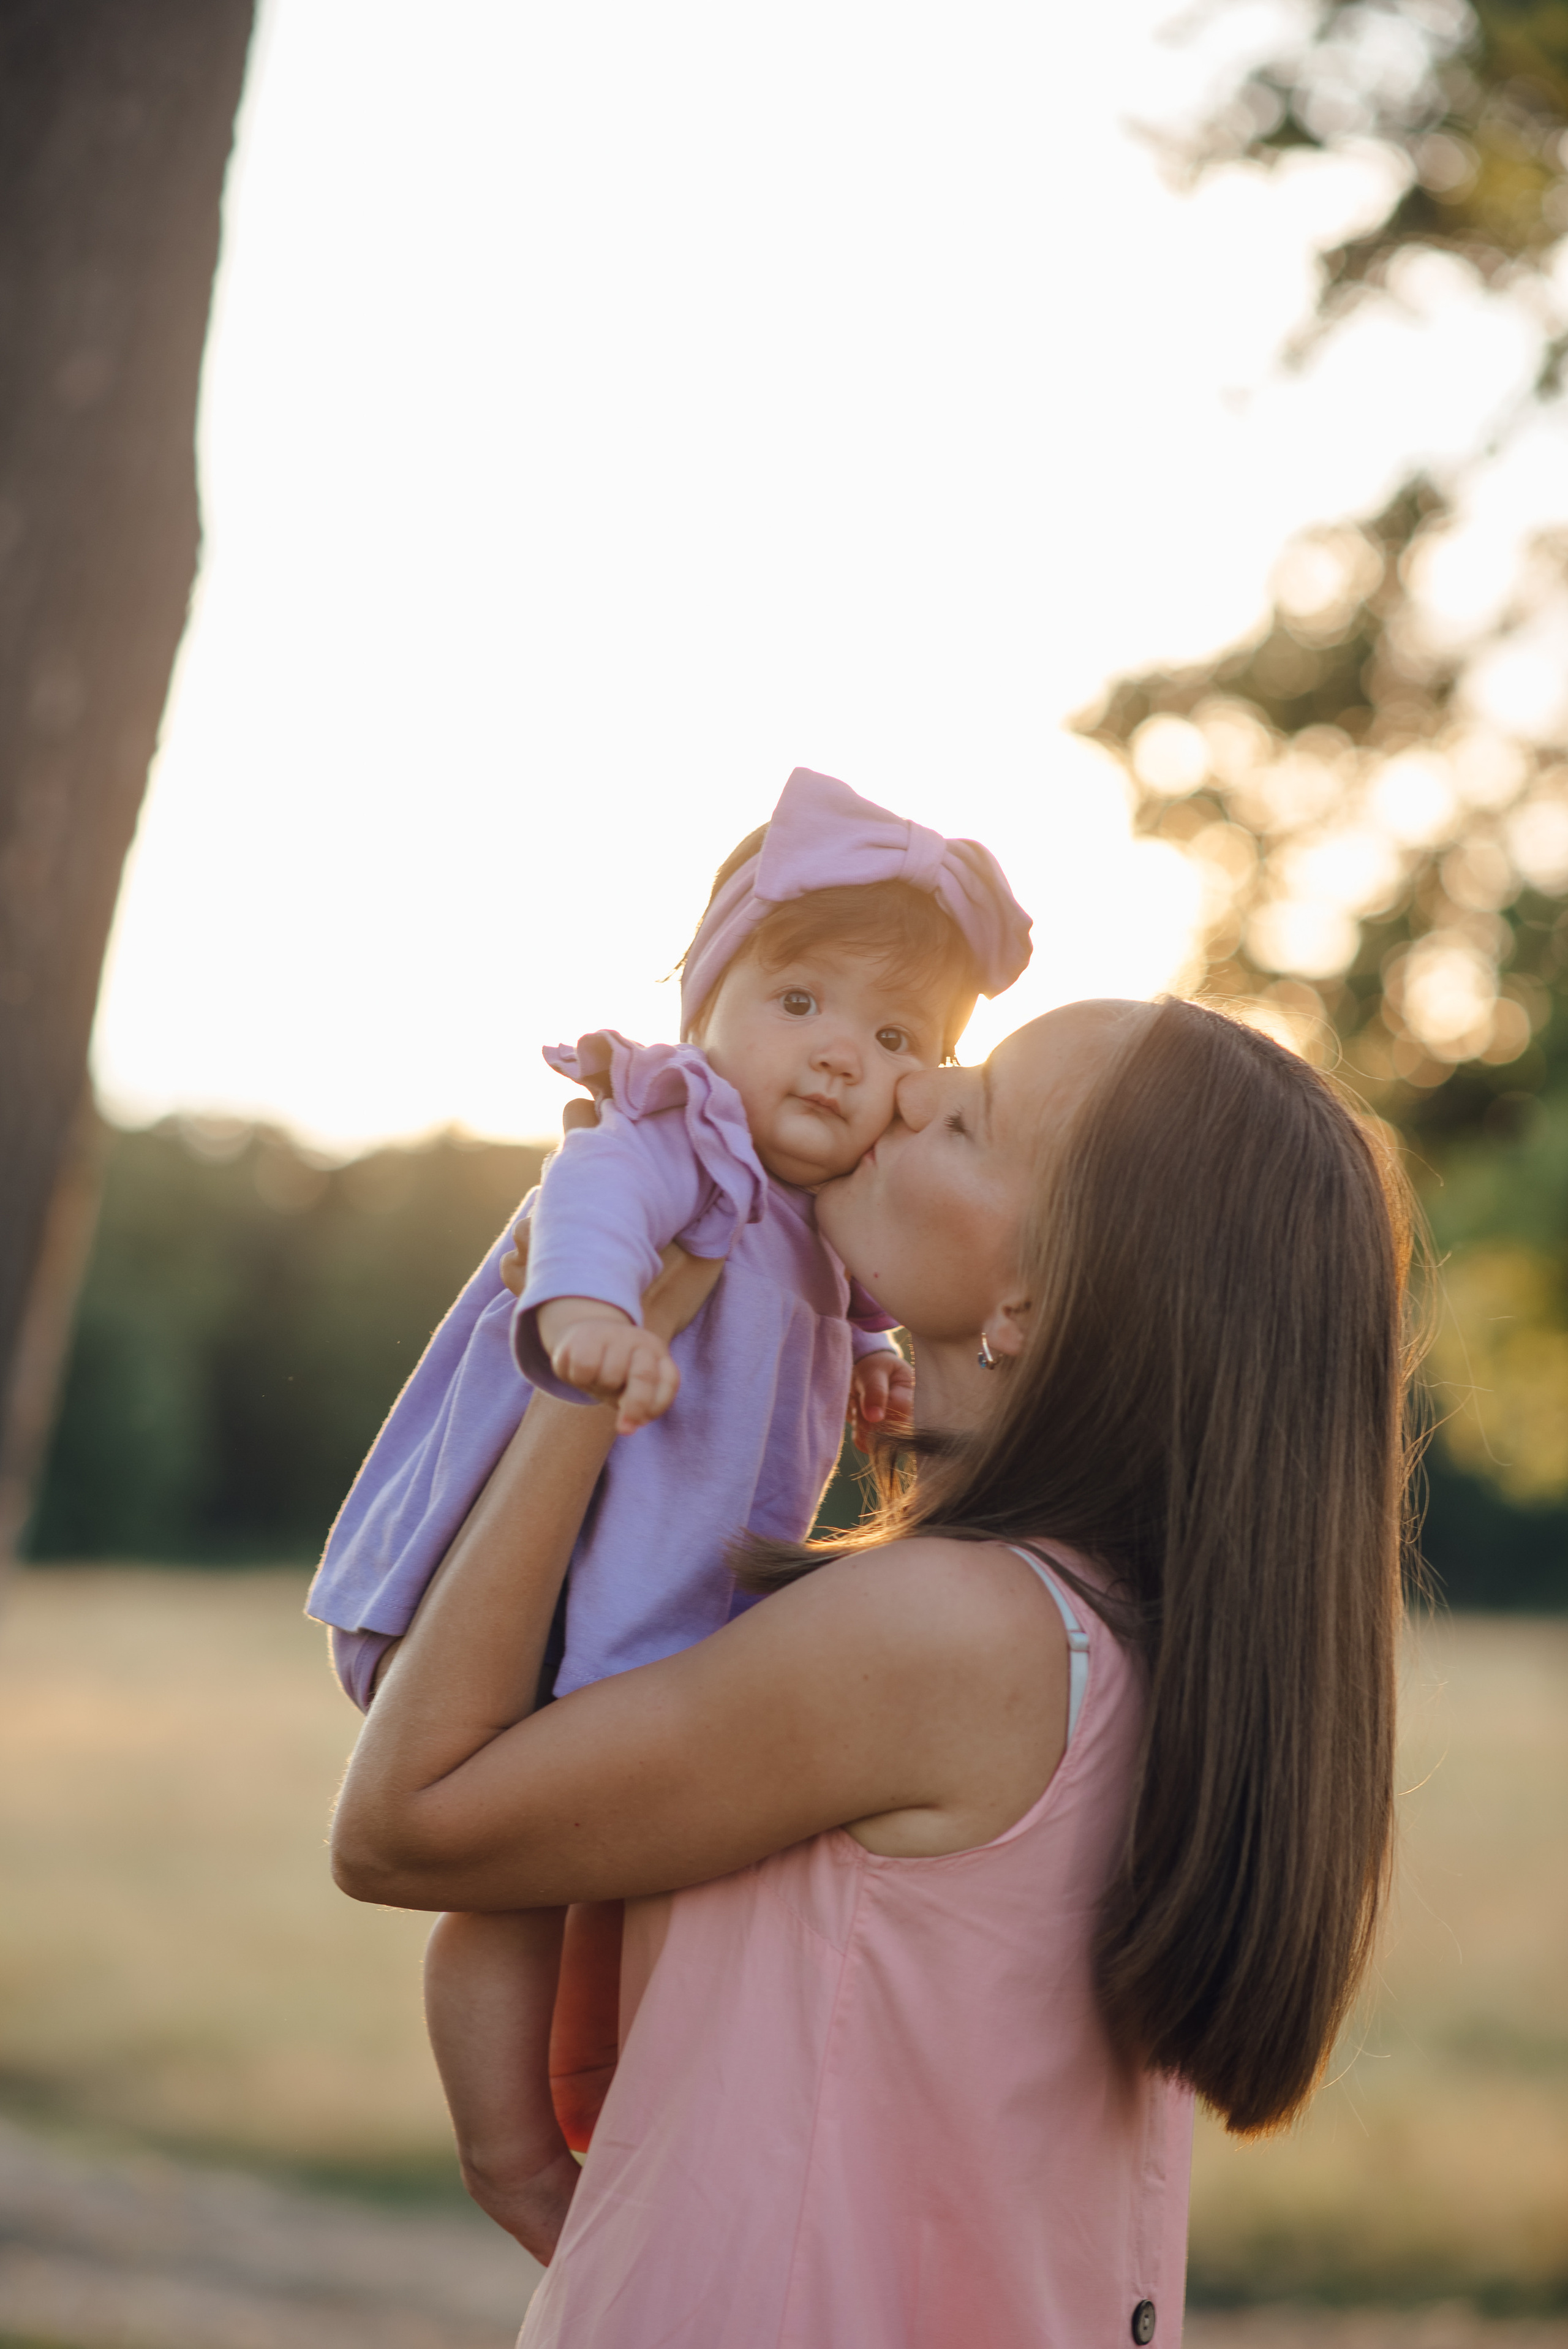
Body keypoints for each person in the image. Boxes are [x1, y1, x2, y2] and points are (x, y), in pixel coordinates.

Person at [331, 996, 1414, 2348]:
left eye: (967, 1117)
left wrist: (585, 1373)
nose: (906, 1090)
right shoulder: (1116, 1632)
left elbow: (405, 1826)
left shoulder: (950, 1636)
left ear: (1034, 1295)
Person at [307, 765, 1033, 2255]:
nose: (839, 1057)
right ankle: (509, 2155)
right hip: (554, 1591)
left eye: (896, 1038)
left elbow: (843, 1325)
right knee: (507, 1883)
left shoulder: (832, 1223)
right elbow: (585, 1209)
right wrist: (585, 1323)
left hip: (665, 1611)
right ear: (711, 1006)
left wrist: (878, 1371)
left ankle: (619, 2123)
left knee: (614, 1868)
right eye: (801, 1003)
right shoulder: (678, 1129)